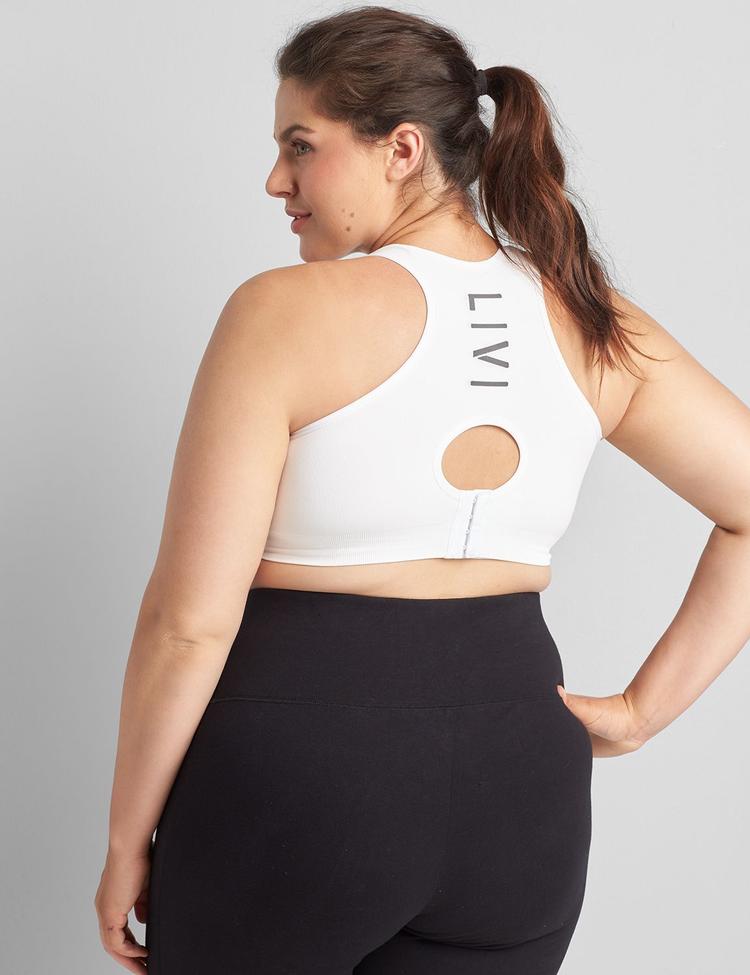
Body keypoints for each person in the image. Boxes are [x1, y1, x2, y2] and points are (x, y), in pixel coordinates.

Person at [94, 6, 750, 974]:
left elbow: (188, 626)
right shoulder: (590, 318)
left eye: (299, 145)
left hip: (301, 777)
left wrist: (126, 840)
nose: (276, 180)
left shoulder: (282, 313)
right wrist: (641, 711)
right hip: (522, 790)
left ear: (401, 149)